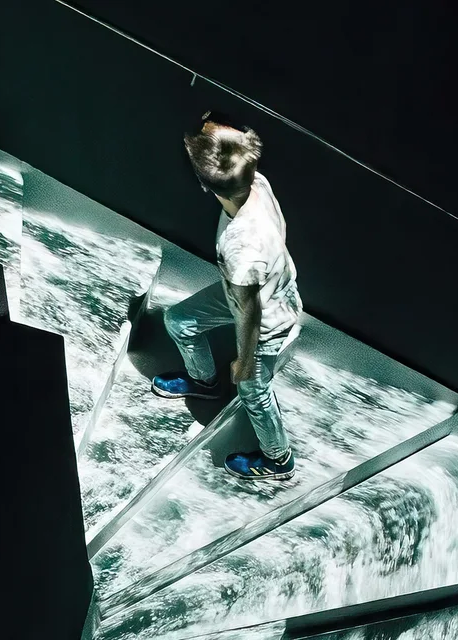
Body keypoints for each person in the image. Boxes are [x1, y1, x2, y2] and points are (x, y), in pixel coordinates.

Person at [152, 111, 303, 481]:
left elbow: (250, 313)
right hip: (252, 291)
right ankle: (204, 382)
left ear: (206, 187)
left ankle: (278, 459)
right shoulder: (257, 181)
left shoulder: (241, 249)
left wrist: (245, 362)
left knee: (253, 391)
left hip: (266, 318)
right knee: (179, 321)